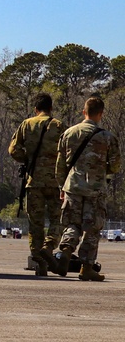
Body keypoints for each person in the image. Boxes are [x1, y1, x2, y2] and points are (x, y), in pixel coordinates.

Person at [52, 96, 121, 281]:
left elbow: (60, 166)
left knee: (72, 223)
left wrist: (61, 187)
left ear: (84, 112)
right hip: (95, 189)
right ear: (101, 114)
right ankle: (86, 267)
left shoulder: (68, 133)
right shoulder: (107, 137)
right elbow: (115, 166)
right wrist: (100, 168)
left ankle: (66, 252)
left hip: (73, 186)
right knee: (92, 228)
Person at [8, 92, 66, 275]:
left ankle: (39, 262)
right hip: (56, 182)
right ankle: (48, 248)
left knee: (35, 225)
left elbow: (13, 150)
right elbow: (68, 153)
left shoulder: (27, 124)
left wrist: (29, 159)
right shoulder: (59, 126)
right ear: (51, 108)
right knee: (59, 220)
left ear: (36, 109)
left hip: (33, 181)